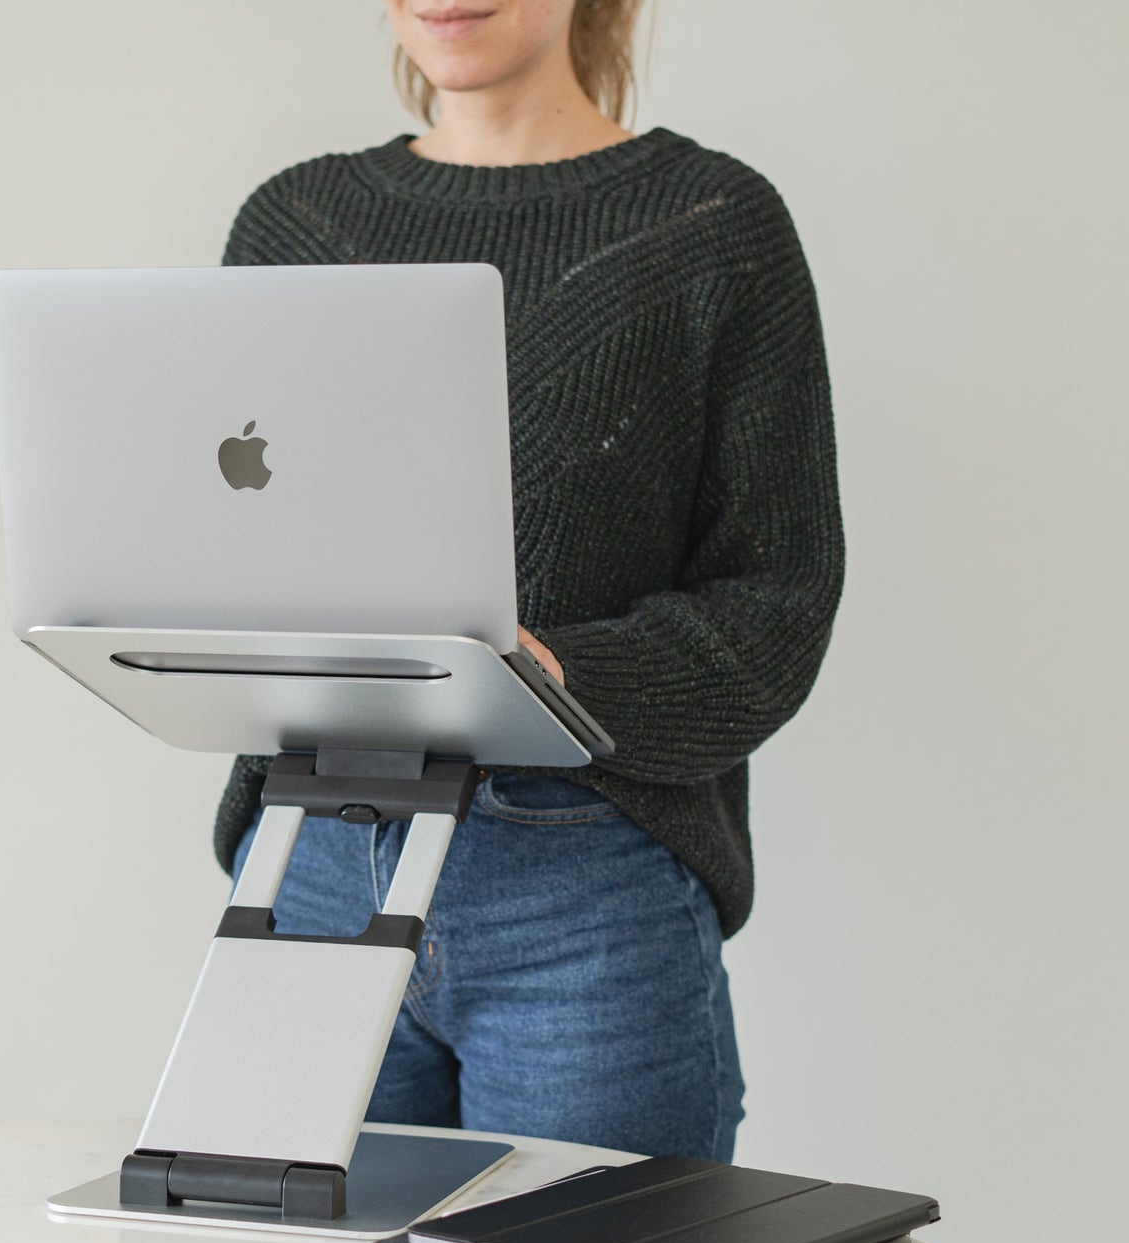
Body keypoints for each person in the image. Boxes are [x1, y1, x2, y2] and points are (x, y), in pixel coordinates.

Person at [212, 0, 844, 1161]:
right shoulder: (295, 224)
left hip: (585, 887)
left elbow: (777, 599)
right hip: (311, 866)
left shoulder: (711, 225)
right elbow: (233, 527)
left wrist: (556, 673)